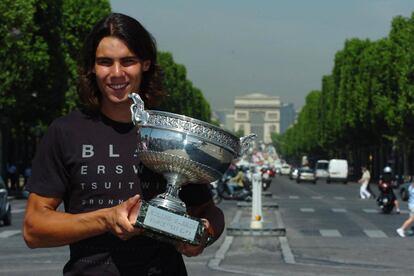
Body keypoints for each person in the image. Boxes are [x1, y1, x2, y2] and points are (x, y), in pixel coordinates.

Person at [23, 13, 224, 276]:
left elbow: (208, 210)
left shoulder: (171, 132)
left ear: (146, 64)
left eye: (127, 61)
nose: (116, 73)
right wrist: (106, 219)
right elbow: (33, 229)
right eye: (105, 62)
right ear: (92, 68)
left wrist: (204, 234)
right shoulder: (65, 132)